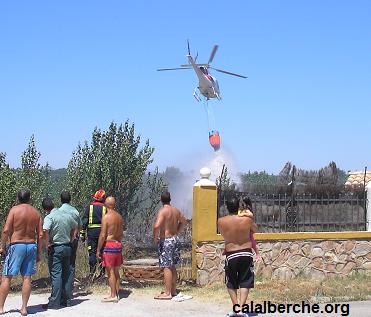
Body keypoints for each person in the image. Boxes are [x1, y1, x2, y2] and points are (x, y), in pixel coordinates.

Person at [0, 189, 43, 316]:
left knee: (7, 276)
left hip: (16, 244)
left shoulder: (14, 210)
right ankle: (24, 308)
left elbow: (6, 230)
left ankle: (1, 307)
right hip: (30, 245)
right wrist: (39, 252)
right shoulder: (36, 213)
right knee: (27, 277)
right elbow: (40, 235)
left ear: (18, 199)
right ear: (29, 198)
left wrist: (2, 246)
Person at [218, 195, 257, 317]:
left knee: (231, 282)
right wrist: (249, 216)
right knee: (245, 281)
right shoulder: (247, 220)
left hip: (231, 253)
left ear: (227, 207)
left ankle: (236, 309)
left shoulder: (221, 221)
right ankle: (241, 309)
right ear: (239, 206)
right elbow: (255, 230)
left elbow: (224, 234)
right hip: (246, 252)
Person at [42, 197, 77, 309]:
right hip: (67, 247)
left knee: (56, 275)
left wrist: (47, 244)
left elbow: (45, 230)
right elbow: (75, 226)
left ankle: (54, 303)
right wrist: (72, 239)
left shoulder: (49, 217)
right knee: (66, 275)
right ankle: (66, 301)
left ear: (45, 209)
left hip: (56, 248)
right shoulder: (65, 214)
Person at [153, 191, 187, 300]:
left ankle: (167, 293)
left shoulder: (163, 211)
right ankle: (173, 290)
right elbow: (184, 221)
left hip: (166, 240)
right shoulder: (175, 210)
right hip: (175, 239)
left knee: (166, 266)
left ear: (161, 200)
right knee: (172, 265)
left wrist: (155, 238)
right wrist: (177, 231)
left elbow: (156, 226)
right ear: (170, 199)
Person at [96, 196, 124, 303]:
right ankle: (116, 292)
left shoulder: (106, 217)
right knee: (116, 271)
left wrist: (98, 249)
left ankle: (113, 295)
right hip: (118, 244)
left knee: (110, 271)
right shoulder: (119, 217)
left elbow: (103, 235)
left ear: (105, 205)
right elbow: (121, 233)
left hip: (110, 245)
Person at [58, 191, 81, 300]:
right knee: (71, 265)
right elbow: (79, 226)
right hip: (73, 241)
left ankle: (61, 291)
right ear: (70, 199)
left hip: (62, 241)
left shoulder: (58, 211)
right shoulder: (75, 211)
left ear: (61, 200)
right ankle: (69, 291)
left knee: (60, 266)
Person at [80, 189, 107, 277]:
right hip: (102, 233)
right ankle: (102, 273)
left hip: (91, 233)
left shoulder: (89, 207)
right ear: (103, 198)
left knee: (92, 252)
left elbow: (84, 221)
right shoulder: (105, 207)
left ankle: (92, 273)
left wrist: (82, 234)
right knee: (102, 252)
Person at [238, 197, 261, 262]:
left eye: (243, 202)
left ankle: (257, 254)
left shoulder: (247, 209)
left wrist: (244, 214)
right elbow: (239, 214)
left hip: (248, 227)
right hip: (242, 227)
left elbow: (251, 215)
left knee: (252, 241)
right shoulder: (241, 209)